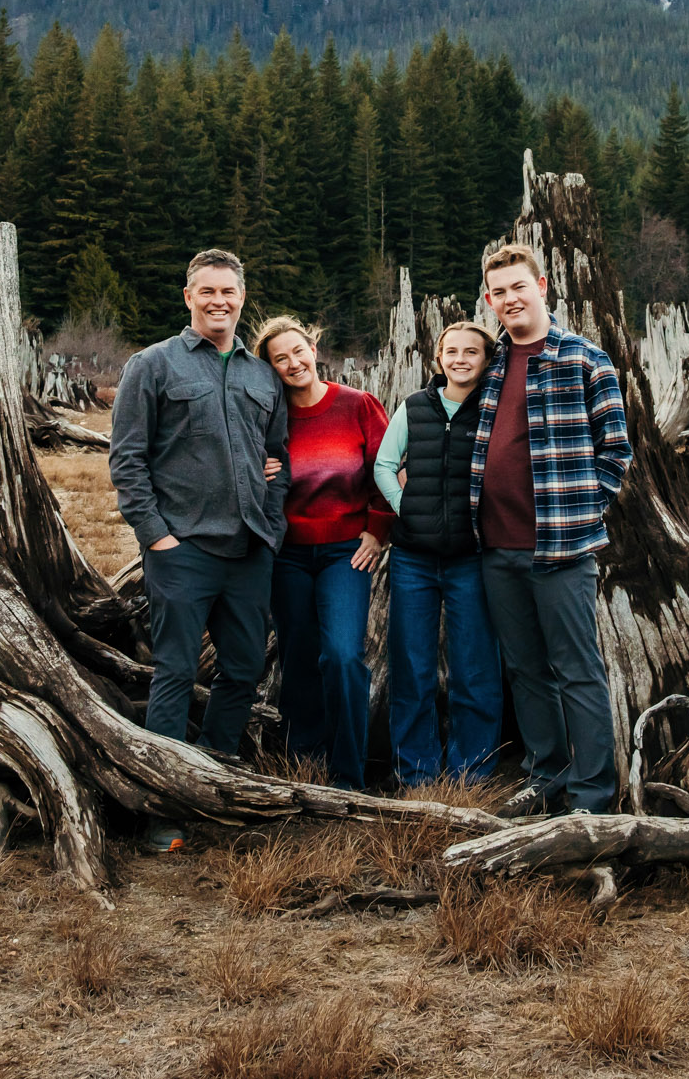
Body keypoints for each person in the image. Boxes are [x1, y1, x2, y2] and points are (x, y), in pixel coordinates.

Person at [109, 248, 290, 852]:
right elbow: (127, 460)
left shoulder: (262, 375)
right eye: (206, 291)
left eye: (228, 292)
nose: (218, 301)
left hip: (250, 550)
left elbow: (279, 458)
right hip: (182, 549)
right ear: (188, 296)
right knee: (177, 671)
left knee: (243, 668)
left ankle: (213, 774)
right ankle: (164, 807)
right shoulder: (152, 365)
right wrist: (157, 536)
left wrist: (271, 525)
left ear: (242, 297)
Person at [471, 242, 632, 817]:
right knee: (525, 670)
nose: (510, 299)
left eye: (519, 286)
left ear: (542, 287)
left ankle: (592, 796)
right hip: (496, 547)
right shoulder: (490, 366)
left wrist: (581, 516)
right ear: (489, 300)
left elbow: (617, 452)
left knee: (577, 671)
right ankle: (546, 779)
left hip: (562, 550)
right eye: (499, 292)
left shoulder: (586, 359)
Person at [252, 316, 393, 792]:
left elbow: (387, 469)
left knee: (342, 655)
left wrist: (377, 531)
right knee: (297, 655)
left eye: (299, 351)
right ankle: (304, 762)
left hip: (345, 553)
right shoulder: (267, 418)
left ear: (314, 349)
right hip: (286, 554)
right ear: (270, 368)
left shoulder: (357, 405)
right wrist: (257, 470)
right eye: (280, 359)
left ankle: (348, 773)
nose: (294, 363)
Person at [373, 319, 505, 789]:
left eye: (471, 352)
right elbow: (384, 465)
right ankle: (417, 774)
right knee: (412, 666)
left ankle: (473, 774)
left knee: (475, 666)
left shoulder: (494, 409)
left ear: (487, 361)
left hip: (472, 557)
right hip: (413, 559)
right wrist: (406, 508)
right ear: (438, 358)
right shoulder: (415, 407)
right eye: (452, 351)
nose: (460, 359)